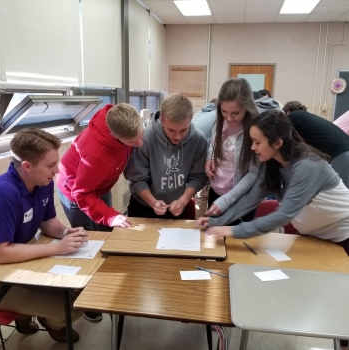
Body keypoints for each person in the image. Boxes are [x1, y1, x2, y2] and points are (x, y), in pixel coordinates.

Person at [198, 109, 349, 350]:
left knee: (343, 302)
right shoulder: (272, 163)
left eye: (257, 142)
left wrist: (235, 231)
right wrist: (217, 222)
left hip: (345, 236)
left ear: (278, 142)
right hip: (316, 237)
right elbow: (252, 199)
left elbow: (284, 214)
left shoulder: (307, 165)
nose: (254, 148)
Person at [57, 103, 143, 322]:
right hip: (77, 193)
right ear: (115, 136)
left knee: (108, 236)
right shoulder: (94, 153)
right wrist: (111, 215)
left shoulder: (122, 122)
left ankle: (111, 285)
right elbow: (82, 194)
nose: (139, 143)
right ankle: (87, 297)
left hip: (99, 187)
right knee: (87, 244)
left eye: (140, 135)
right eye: (133, 142)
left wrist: (109, 217)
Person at [0, 128, 86, 343]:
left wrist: (67, 233)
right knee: (73, 309)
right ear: (27, 166)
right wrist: (55, 248)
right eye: (50, 165)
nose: (57, 170)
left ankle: (28, 312)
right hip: (3, 277)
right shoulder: (4, 193)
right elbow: (1, 253)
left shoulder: (43, 182)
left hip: (23, 260)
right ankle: (42, 318)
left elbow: (47, 222)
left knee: (80, 288)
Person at [124, 93, 207, 219]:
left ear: (190, 119)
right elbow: (137, 179)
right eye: (172, 130)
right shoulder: (145, 138)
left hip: (178, 207)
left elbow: (198, 177)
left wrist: (183, 200)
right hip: (143, 207)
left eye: (183, 130)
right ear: (162, 120)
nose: (178, 136)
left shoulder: (198, 140)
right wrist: (153, 202)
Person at [204, 78, 259, 224]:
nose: (229, 117)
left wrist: (226, 201)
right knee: (214, 241)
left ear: (247, 107)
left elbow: (254, 173)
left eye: (235, 112)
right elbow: (214, 145)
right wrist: (210, 158)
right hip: (216, 192)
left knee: (235, 244)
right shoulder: (219, 121)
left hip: (240, 198)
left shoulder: (255, 130)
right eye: (224, 111)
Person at [283, 101, 349, 188]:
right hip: (343, 152)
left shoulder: (293, 117)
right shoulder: (308, 121)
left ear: (287, 112)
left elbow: (283, 143)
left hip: (340, 155)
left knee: (341, 196)